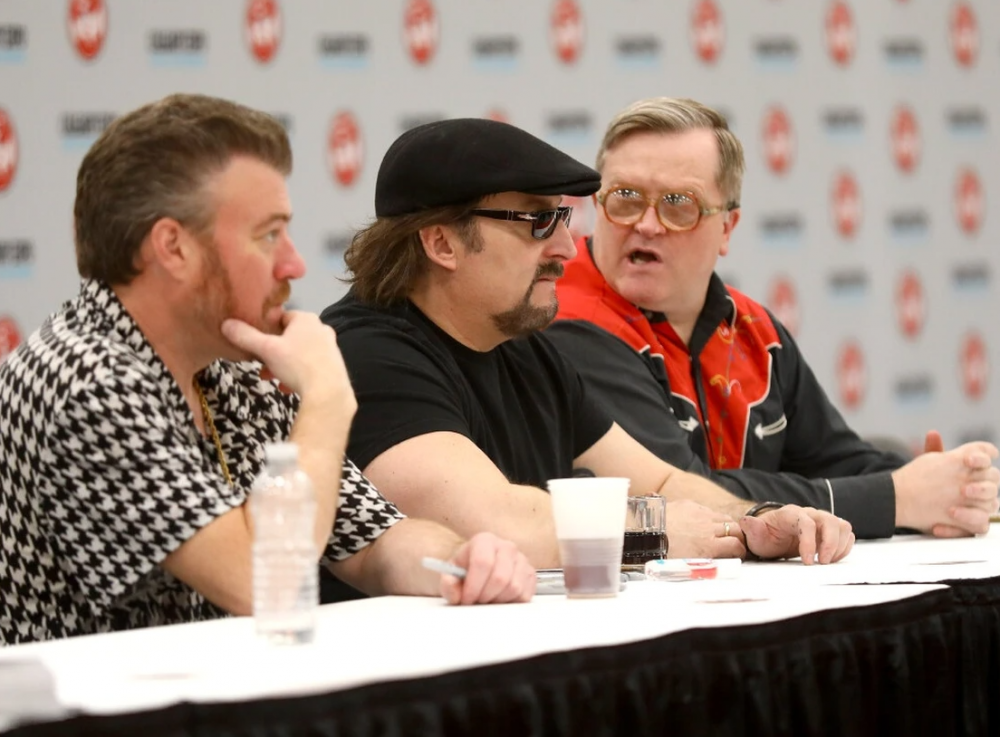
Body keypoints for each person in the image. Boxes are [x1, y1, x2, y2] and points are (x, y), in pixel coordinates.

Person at [0, 95, 535, 646]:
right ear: (173, 248)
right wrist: (327, 396)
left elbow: (375, 543)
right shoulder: (88, 381)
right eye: (268, 235)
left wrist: (459, 560)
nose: (295, 264)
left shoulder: (226, 373)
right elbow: (260, 580)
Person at [321, 118, 855, 572]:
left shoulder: (525, 351)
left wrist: (755, 519)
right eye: (538, 221)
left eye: (563, 218)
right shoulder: (366, 354)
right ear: (441, 242)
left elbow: (662, 481)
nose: (567, 247)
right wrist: (654, 536)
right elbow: (493, 521)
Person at [547, 96, 999, 540]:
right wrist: (896, 497)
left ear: (727, 227)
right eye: (625, 198)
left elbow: (837, 459)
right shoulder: (567, 318)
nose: (646, 224)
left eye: (678, 204)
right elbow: (683, 496)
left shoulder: (753, 328)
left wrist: (948, 489)